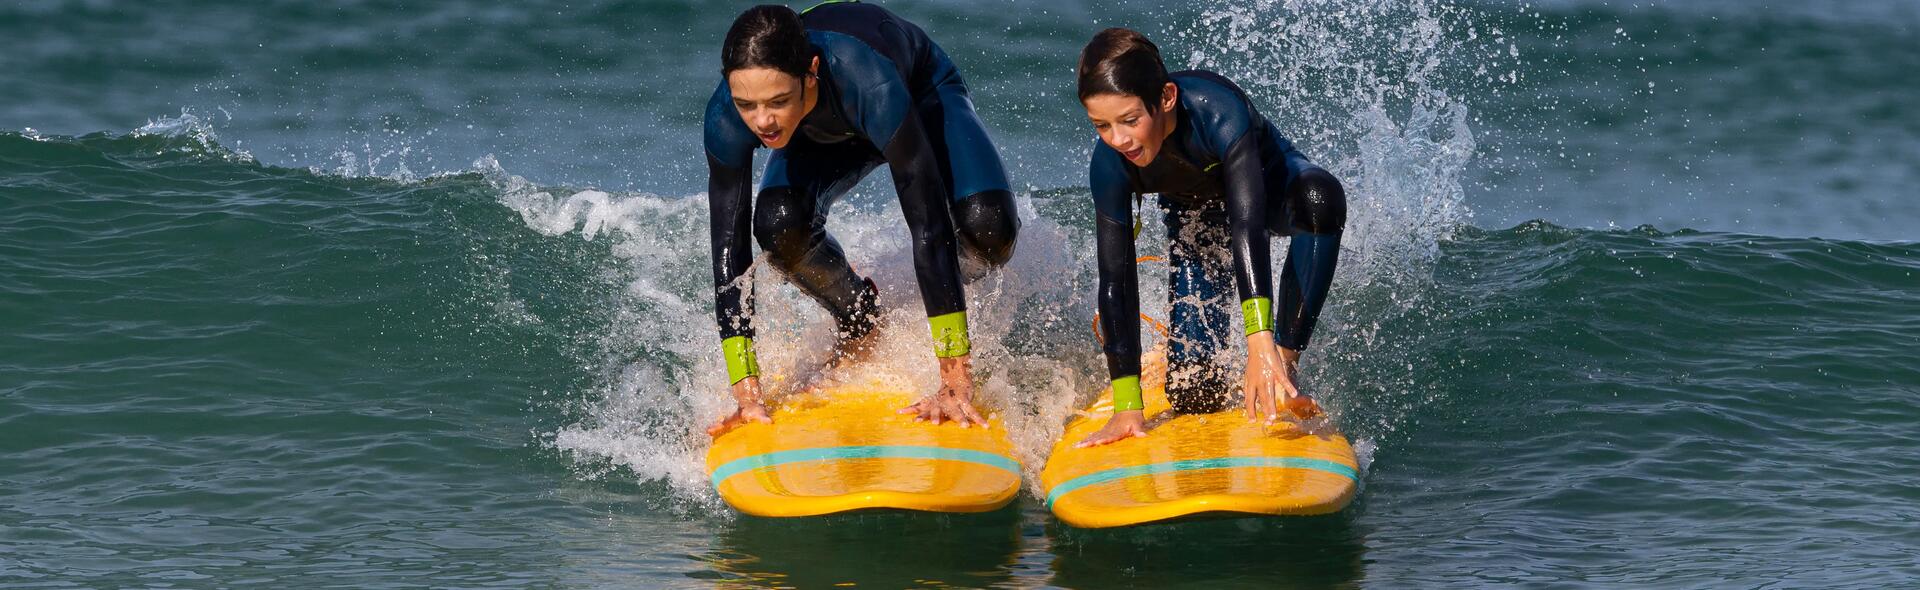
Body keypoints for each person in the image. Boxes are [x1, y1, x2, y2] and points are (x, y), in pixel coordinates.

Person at [703, 2, 1020, 436]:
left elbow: (927, 224)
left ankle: (953, 313)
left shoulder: (872, 84)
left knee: (988, 227)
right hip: (819, 130)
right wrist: (746, 391)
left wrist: (953, 379)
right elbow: (729, 251)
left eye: (777, 101)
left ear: (810, 71)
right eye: (747, 104)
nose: (762, 121)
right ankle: (860, 317)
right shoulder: (726, 116)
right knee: (779, 227)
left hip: (919, 96)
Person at [1073, 28, 1347, 447]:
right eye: (1101, 125)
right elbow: (1116, 278)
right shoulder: (1110, 164)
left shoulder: (1218, 113)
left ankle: (1284, 366)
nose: (1118, 139)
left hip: (1269, 191)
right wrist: (1128, 405)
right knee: (1193, 393)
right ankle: (1164, 362)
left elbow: (1247, 225)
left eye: (1129, 120)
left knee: (1319, 199)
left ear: (1165, 98)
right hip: (1196, 221)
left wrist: (1262, 341)